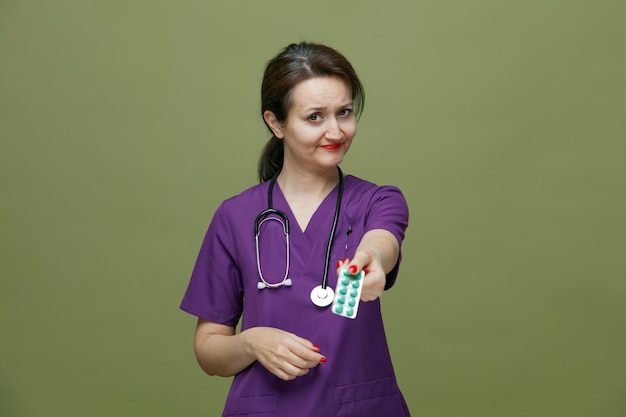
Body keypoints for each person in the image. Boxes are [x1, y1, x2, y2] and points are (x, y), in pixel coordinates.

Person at [180, 41, 411, 417]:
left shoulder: (377, 201)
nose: (336, 131)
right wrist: (252, 343)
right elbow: (209, 349)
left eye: (345, 112)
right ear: (276, 123)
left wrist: (374, 259)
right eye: (315, 117)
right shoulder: (235, 216)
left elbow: (383, 240)